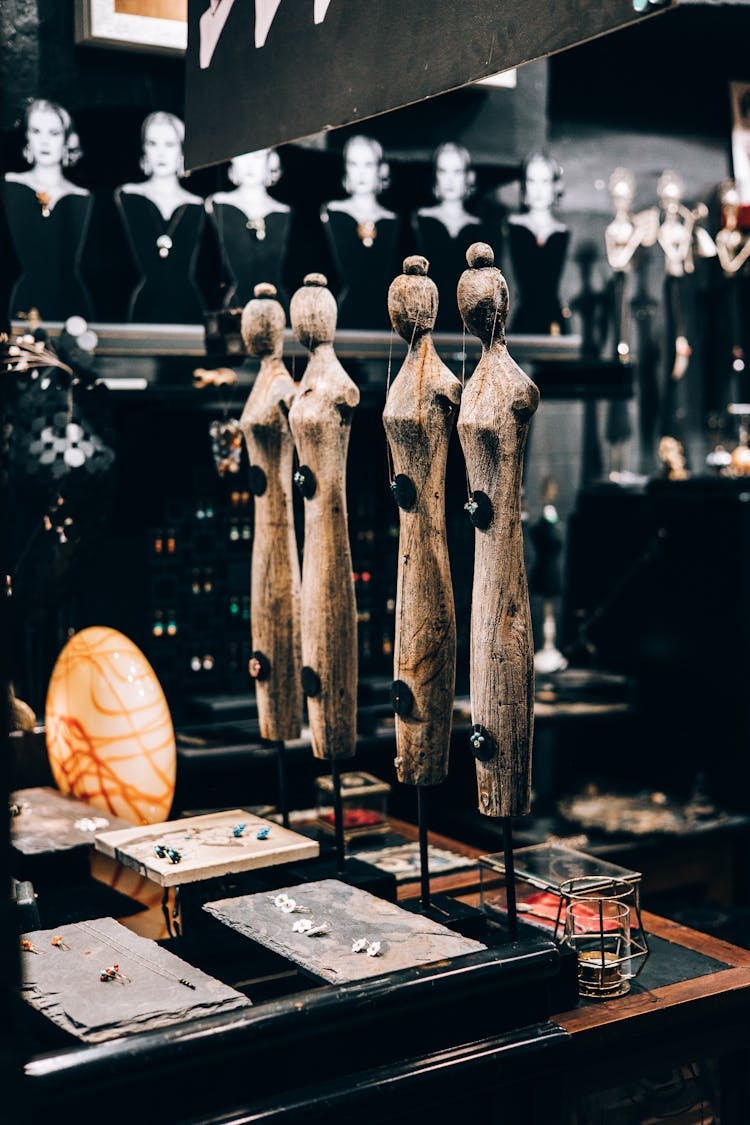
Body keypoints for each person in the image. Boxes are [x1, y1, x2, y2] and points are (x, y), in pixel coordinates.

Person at [3, 98, 93, 321]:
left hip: (71, 310)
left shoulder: (83, 197)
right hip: (17, 306)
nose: (44, 141)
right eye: (36, 131)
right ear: (27, 137)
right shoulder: (8, 186)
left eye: (53, 133)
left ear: (66, 140)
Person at [115, 111, 205, 323]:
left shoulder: (198, 206)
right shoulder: (127, 196)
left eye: (170, 144)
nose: (161, 153)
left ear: (182, 150)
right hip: (140, 310)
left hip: (188, 312)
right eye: (153, 143)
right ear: (144, 149)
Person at [321, 135, 400, 329]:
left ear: (381, 168)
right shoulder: (330, 213)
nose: (361, 173)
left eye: (368, 164)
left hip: (384, 324)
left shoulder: (394, 220)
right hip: (339, 320)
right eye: (354, 164)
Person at [412, 143, 489, 332]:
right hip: (427, 323)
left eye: (457, 171)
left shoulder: (481, 228)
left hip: (469, 327)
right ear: (435, 176)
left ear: (468, 176)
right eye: (443, 171)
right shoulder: (417, 221)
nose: (450, 180)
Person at [206, 148, 291, 308]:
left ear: (269, 159)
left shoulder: (284, 211)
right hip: (234, 309)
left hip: (276, 309)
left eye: (257, 156)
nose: (249, 165)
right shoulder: (219, 204)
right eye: (242, 155)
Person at [506, 151, 570, 335]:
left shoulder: (563, 232)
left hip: (554, 324)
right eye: (532, 181)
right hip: (520, 323)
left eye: (545, 181)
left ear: (555, 186)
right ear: (525, 186)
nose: (539, 189)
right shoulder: (510, 226)